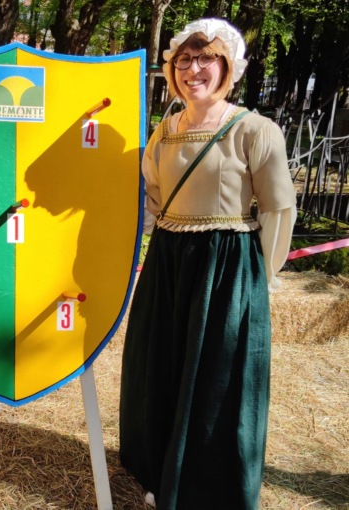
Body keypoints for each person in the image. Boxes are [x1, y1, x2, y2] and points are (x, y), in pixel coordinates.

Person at [119, 18, 296, 510]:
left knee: (217, 377)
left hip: (226, 267)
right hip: (169, 261)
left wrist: (259, 277)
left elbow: (277, 210)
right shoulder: (164, 130)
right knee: (164, 364)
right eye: (184, 59)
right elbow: (154, 198)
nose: (193, 69)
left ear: (228, 67)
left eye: (206, 59)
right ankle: (160, 469)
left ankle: (208, 484)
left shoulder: (255, 130)